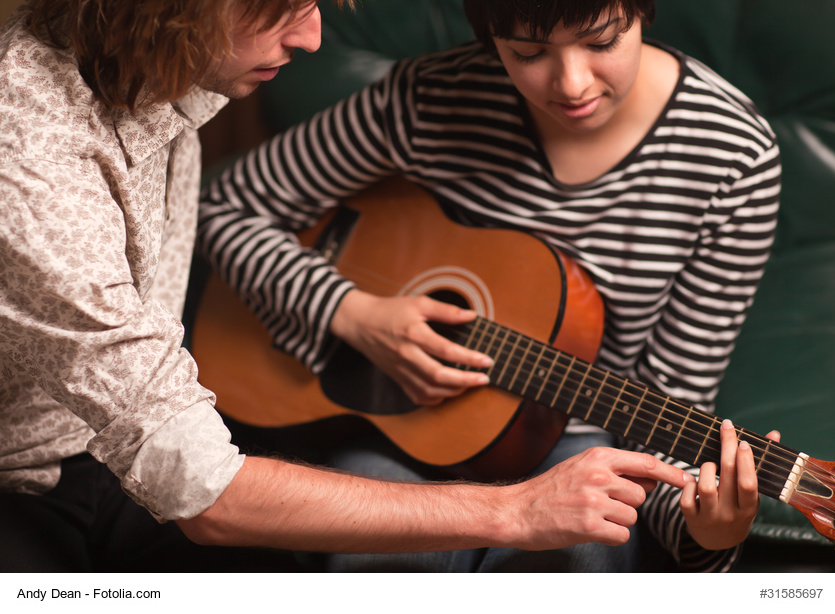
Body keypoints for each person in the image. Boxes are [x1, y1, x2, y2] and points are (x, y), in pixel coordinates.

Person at [0, 0, 699, 573]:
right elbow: (205, 492)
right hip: (30, 485)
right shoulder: (30, 159)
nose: (313, 36)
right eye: (280, 10)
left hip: (118, 461)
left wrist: (700, 532)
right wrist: (514, 509)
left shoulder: (168, 80)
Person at [198, 0, 783, 572]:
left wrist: (704, 533)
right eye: (528, 52)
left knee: (566, 572)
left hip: (585, 438)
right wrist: (350, 313)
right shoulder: (428, 97)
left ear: (641, 12)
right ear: (490, 36)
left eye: (602, 42)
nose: (572, 84)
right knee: (382, 570)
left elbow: (670, 411)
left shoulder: (735, 155)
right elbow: (225, 207)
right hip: (400, 428)